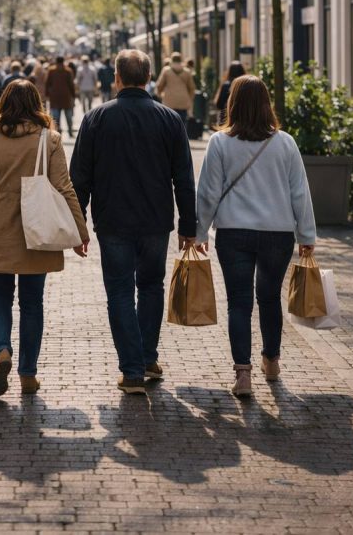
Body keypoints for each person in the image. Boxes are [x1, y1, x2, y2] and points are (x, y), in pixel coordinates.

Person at [0, 80, 89, 396]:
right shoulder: (48, 140)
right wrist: (80, 232)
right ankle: (28, 374)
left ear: (3, 104)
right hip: (36, 231)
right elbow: (64, 187)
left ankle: (1, 350)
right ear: (36, 105)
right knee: (32, 302)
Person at [70, 49, 197, 396]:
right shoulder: (170, 120)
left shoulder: (96, 119)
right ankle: (147, 357)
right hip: (156, 220)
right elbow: (184, 178)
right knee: (152, 287)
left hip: (112, 221)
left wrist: (77, 224)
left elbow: (79, 178)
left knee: (120, 291)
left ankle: (132, 370)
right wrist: (189, 225)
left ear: (117, 78)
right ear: (149, 78)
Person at [195, 74, 316, 397]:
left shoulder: (220, 143)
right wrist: (306, 234)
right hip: (277, 233)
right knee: (269, 297)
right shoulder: (285, 142)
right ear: (266, 104)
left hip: (234, 232)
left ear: (232, 104)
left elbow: (208, 192)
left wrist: (199, 232)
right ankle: (272, 360)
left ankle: (243, 374)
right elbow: (299, 193)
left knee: (239, 302)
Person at [155, 51, 197, 123]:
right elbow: (192, 88)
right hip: (183, 102)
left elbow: (159, 85)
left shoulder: (166, 71)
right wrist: (190, 99)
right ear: (181, 60)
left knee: (169, 124)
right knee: (182, 124)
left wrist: (160, 95)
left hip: (169, 102)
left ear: (171, 60)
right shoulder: (187, 72)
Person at [46, 56, 76, 137]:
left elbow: (47, 83)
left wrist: (47, 95)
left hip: (54, 97)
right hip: (66, 97)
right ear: (63, 61)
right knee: (69, 117)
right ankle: (70, 131)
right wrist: (73, 95)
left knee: (56, 118)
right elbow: (71, 85)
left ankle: (57, 132)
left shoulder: (51, 70)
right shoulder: (68, 71)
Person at [215, 61, 244, 126]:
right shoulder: (247, 85)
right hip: (243, 120)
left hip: (226, 121)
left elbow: (219, 104)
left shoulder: (225, 85)